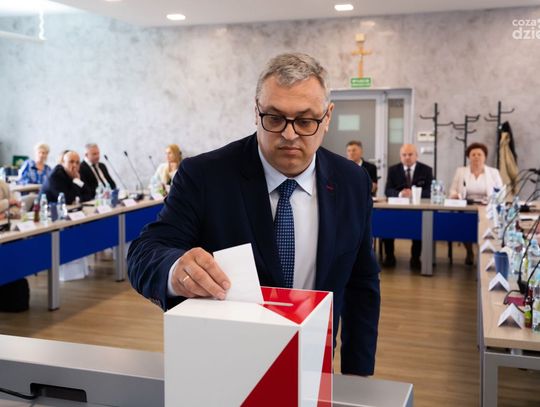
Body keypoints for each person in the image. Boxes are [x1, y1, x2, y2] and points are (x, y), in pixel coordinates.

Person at [128, 53, 381, 376]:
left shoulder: (352, 182)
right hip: (225, 365)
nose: (289, 135)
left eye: (305, 121)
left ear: (327, 116)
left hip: (314, 360)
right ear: (256, 111)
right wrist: (176, 269)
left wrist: (358, 378)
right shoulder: (205, 176)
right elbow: (144, 252)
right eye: (274, 118)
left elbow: (362, 283)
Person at [449, 142, 503, 265]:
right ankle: (469, 251)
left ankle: (484, 254)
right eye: (473, 154)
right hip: (466, 206)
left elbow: (500, 192)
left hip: (487, 207)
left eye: (479, 154)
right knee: (464, 224)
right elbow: (452, 190)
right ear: (469, 157)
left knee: (486, 224)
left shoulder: (493, 172)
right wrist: (456, 195)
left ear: (485, 157)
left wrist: (493, 199)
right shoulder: (461, 171)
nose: (476, 157)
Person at [383, 144, 433, 269]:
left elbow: (430, 192)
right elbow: (388, 191)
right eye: (404, 155)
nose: (407, 157)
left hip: (418, 210)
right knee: (386, 224)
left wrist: (414, 193)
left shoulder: (426, 170)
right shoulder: (393, 170)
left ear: (416, 155)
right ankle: (389, 256)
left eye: (410, 154)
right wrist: (400, 194)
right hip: (396, 210)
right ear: (400, 156)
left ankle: (415, 258)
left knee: (420, 228)